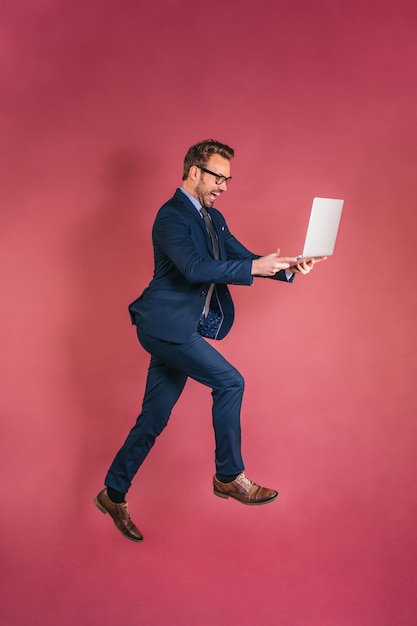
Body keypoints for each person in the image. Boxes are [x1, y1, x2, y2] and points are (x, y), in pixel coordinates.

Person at [94, 139, 323, 542]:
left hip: (179, 327)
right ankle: (229, 476)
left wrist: (290, 267)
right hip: (163, 325)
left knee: (154, 417)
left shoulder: (214, 219)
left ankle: (113, 493)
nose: (224, 186)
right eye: (219, 177)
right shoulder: (170, 217)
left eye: (228, 179)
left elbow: (243, 258)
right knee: (230, 381)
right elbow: (197, 268)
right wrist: (253, 266)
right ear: (195, 171)